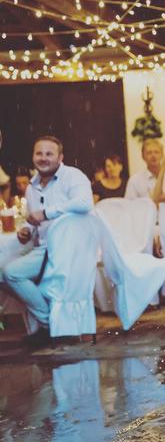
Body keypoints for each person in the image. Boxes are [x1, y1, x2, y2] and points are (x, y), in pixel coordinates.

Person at [1, 136, 93, 346]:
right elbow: (35, 224)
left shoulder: (72, 176)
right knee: (2, 273)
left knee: (12, 272)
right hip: (45, 248)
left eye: (49, 154)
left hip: (69, 249)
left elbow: (84, 203)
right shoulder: (31, 186)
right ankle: (52, 324)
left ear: (60, 157)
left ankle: (50, 326)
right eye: (39, 153)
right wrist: (27, 230)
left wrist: (46, 213)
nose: (43, 158)